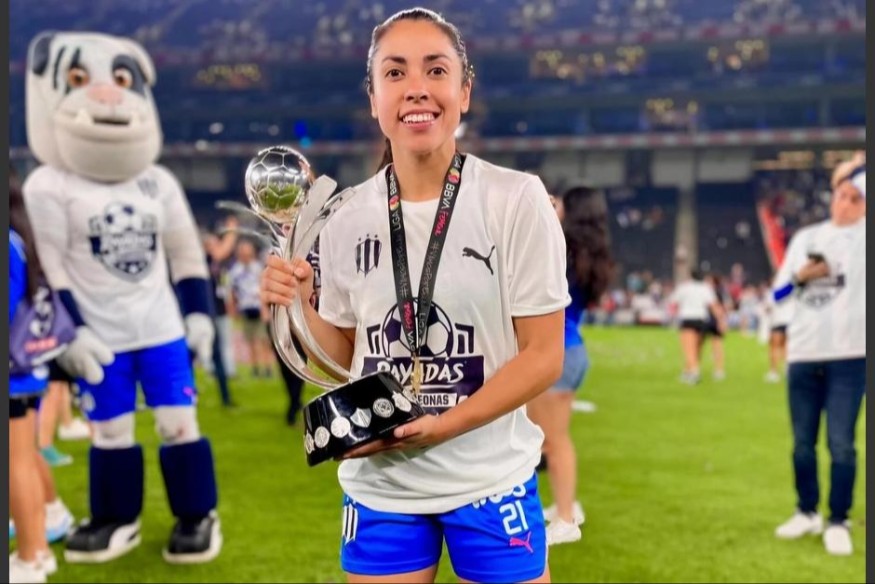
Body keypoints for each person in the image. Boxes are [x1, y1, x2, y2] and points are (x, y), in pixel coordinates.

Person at [260, 8, 568, 583]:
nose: (416, 88)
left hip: (489, 477)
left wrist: (444, 424)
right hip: (382, 485)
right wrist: (297, 305)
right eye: (395, 73)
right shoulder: (344, 215)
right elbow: (343, 358)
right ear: (373, 98)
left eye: (436, 70)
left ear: (464, 91)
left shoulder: (515, 199)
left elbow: (544, 355)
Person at [23, 31, 221, 563]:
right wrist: (71, 332)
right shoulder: (49, 185)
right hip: (99, 335)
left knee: (179, 424)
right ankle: (116, 518)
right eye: (79, 79)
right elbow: (49, 268)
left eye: (121, 78)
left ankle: (198, 514)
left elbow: (185, 254)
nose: (109, 93)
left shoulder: (157, 181)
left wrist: (199, 315)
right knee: (108, 432)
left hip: (160, 330)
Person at [771, 151, 866, 556]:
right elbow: (777, 295)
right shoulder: (806, 238)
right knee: (802, 443)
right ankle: (806, 510)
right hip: (804, 354)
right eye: (841, 195)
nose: (845, 204)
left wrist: (856, 169)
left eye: (855, 198)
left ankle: (838, 519)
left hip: (850, 356)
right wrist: (800, 276)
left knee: (841, 443)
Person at [527, 186, 614, 546]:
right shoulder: (589, 253)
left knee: (551, 442)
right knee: (548, 438)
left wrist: (540, 215)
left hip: (556, 352)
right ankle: (565, 506)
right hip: (570, 349)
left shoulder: (562, 248)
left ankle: (565, 518)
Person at [9, 177, 64, 583]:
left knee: (15, 464)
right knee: (24, 459)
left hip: (13, 372)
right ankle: (38, 550)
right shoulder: (20, 239)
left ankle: (29, 558)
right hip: (26, 369)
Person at [668, 268, 727, 384]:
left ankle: (694, 372)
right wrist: (721, 321)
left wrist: (675, 315)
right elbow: (713, 306)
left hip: (688, 319)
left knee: (688, 348)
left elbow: (673, 302)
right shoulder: (706, 288)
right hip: (701, 320)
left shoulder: (684, 287)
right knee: (697, 347)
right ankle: (688, 371)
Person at [228, 239, 275, 377]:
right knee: (251, 340)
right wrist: (233, 308)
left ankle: (268, 367)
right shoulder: (235, 271)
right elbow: (232, 291)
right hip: (245, 308)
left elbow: (265, 285)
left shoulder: (258, 268)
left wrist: (266, 306)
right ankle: (255, 368)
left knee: (264, 340)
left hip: (259, 307)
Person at [700, 273, 727, 381]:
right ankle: (694, 368)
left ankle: (719, 370)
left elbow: (720, 308)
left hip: (713, 321)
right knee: (698, 345)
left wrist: (721, 321)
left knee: (716, 346)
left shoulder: (716, 292)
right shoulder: (706, 292)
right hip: (704, 319)